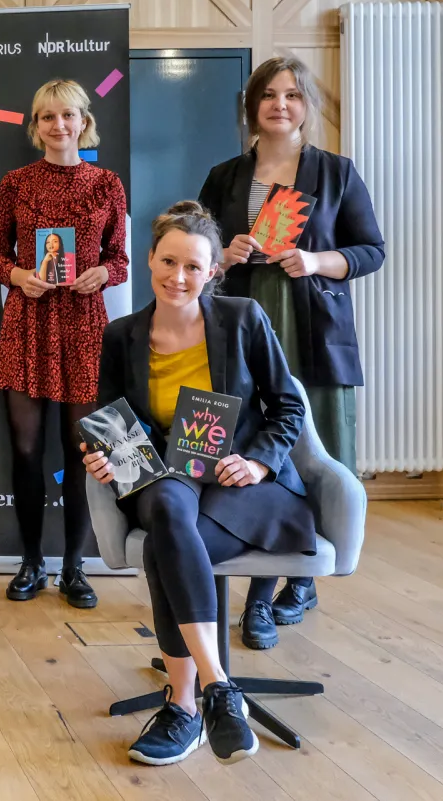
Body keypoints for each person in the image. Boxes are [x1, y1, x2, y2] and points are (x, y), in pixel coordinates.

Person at [84, 200, 314, 766]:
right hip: (166, 474)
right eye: (169, 261)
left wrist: (259, 461)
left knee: (166, 543)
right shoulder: (121, 336)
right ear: (149, 259)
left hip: (242, 485)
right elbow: (105, 417)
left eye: (193, 266)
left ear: (212, 271)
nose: (178, 277)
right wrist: (99, 454)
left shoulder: (243, 319)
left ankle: (184, 704)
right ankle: (219, 690)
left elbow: (287, 406)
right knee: (164, 502)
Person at [198, 56, 384, 649]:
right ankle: (253, 583)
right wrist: (224, 254)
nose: (281, 105)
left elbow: (371, 251)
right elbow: (192, 252)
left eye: (293, 95)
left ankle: (292, 582)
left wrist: (316, 261)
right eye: (269, 95)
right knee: (249, 456)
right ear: (251, 106)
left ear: (307, 106)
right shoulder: (224, 176)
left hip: (312, 332)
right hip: (241, 335)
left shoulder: (336, 173)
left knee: (309, 461)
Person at [0, 79, 128, 606]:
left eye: (67, 115)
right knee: (25, 452)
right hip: (26, 324)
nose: (58, 125)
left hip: (84, 326)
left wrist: (103, 275)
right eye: (47, 116)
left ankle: (75, 566)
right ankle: (31, 563)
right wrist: (19, 275)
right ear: (35, 126)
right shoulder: (15, 183)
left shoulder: (106, 183)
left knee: (83, 451)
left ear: (83, 121)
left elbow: (121, 257)